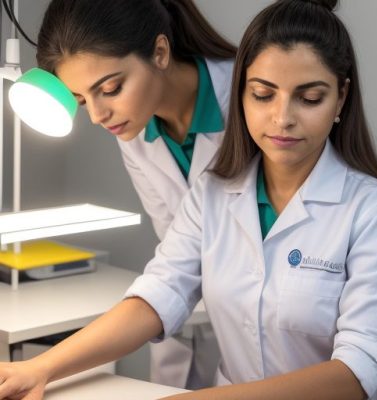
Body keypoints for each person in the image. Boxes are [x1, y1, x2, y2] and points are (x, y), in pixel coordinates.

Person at [0, 1, 377, 399]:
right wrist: (42, 368)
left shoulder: (374, 213)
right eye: (263, 95)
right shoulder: (212, 192)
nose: (282, 118)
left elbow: (358, 371)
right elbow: (163, 289)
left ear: (340, 98)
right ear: (242, 94)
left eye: (308, 98)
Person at [35, 0, 237, 388]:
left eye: (110, 88)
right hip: (204, 324)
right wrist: (42, 368)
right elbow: (176, 259)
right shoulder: (134, 128)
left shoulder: (254, 105)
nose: (96, 115)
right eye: (80, 100)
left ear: (160, 52)